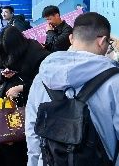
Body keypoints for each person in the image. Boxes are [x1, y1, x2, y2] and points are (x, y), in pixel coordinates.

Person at [26, 12, 119, 166]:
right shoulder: (114, 81)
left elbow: (32, 131)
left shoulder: (42, 78)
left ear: (71, 38)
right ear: (102, 41)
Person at [0, 26, 49, 165]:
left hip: (28, 110)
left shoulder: (37, 55)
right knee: (7, 142)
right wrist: (2, 74)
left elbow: (45, 83)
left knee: (23, 145)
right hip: (8, 110)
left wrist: (22, 88)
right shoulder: (6, 51)